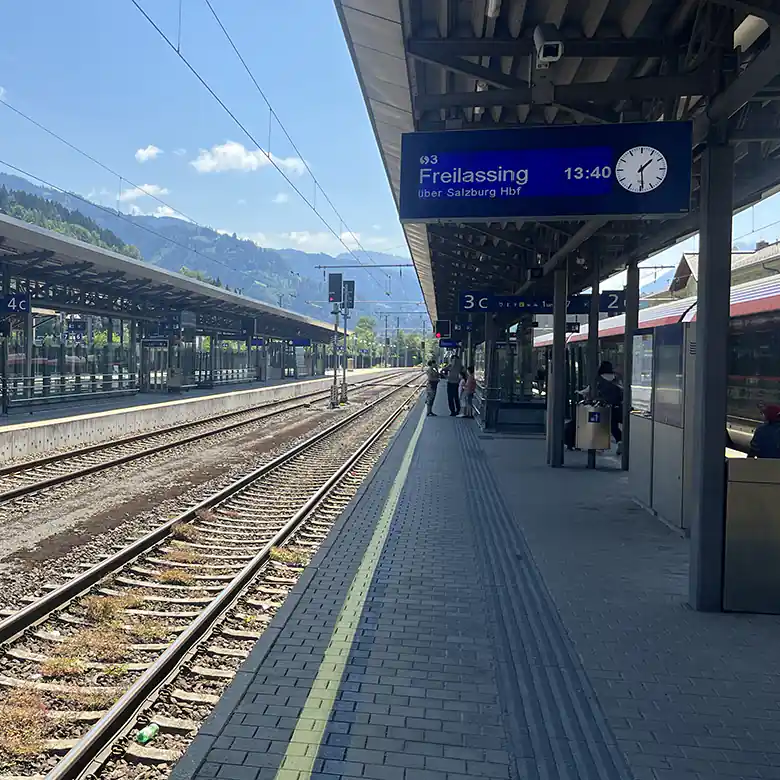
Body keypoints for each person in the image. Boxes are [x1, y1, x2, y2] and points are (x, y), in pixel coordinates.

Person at [578, 360, 624, 454]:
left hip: (602, 407)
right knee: (613, 425)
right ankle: (620, 441)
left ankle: (599, 446)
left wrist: (580, 393)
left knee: (600, 425)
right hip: (617, 406)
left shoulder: (598, 379)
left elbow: (589, 390)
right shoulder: (616, 378)